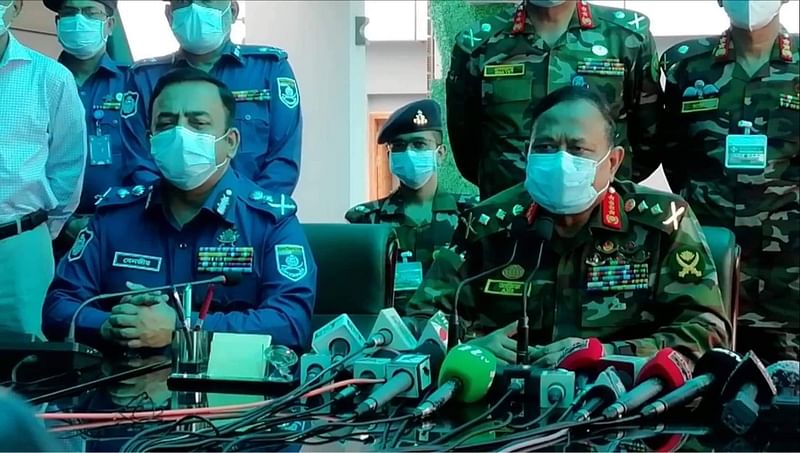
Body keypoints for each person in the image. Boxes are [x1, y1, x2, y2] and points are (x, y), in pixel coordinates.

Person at [406, 86, 730, 366]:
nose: (560, 160)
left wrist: (607, 354)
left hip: (622, 408)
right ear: (527, 154)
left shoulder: (663, 222)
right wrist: (468, 348)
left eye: (577, 149)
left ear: (613, 162)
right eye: (546, 147)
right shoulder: (488, 223)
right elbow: (419, 322)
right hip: (505, 405)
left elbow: (707, 332)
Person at [43, 68, 316, 352]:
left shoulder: (270, 222)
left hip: (230, 390)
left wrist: (181, 329)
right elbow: (59, 306)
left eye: (198, 123)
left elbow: (290, 323)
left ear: (231, 142)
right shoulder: (114, 218)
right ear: (151, 140)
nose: (180, 134)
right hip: (122, 386)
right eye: (166, 124)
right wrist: (109, 324)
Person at [660, 0, 799, 363]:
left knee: (785, 392)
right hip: (706, 259)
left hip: (788, 271)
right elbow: (672, 152)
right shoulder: (687, 65)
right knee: (703, 377)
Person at [446, 0, 662, 199]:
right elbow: (467, 145)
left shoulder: (626, 38)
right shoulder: (478, 46)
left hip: (603, 214)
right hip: (509, 214)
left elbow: (648, 139)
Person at [120, 0, 301, 194]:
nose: (194, 8)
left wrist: (247, 214)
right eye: (183, 1)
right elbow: (138, 160)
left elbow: (282, 160)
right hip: (166, 218)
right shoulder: (144, 77)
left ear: (232, 11)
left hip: (248, 217)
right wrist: (174, 213)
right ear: (169, 14)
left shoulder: (269, 69)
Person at [0, 0, 87, 337]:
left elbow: (68, 166)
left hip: (20, 247)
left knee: (28, 363)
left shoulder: (50, 77)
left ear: (15, 7)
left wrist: (38, 229)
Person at [345, 100, 479, 304]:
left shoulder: (471, 213)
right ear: (390, 155)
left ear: (440, 154)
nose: (408, 153)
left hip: (455, 332)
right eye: (399, 146)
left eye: (419, 144)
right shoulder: (366, 220)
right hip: (388, 332)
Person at [44, 0, 129, 260]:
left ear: (110, 24)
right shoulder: (39, 80)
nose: (79, 20)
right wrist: (62, 221)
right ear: (58, 24)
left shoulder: (135, 81)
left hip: (123, 228)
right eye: (70, 13)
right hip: (48, 231)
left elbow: (148, 159)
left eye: (90, 13)